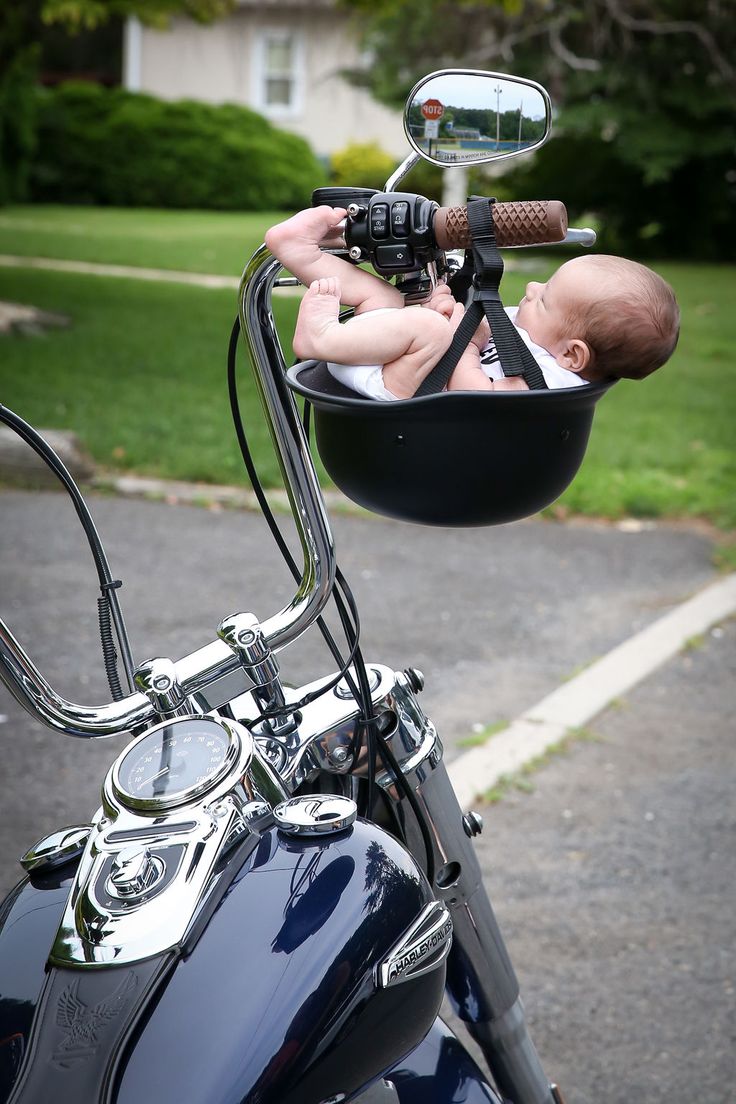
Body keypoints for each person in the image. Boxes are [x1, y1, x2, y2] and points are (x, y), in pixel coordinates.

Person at [265, 205, 680, 400]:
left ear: (573, 353)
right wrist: (447, 308)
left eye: (547, 297)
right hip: (396, 360)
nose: (532, 287)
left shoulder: (551, 381)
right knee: (385, 299)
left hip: (401, 397)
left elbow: (474, 389)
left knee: (425, 328)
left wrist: (466, 339)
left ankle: (320, 339)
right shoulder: (544, 336)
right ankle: (302, 252)